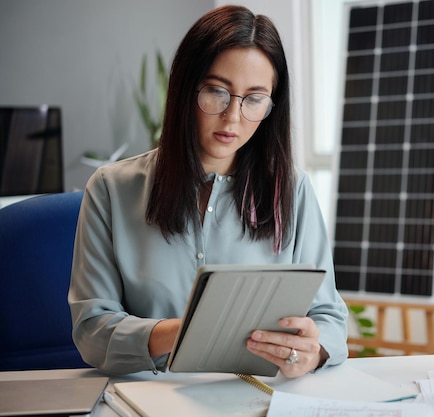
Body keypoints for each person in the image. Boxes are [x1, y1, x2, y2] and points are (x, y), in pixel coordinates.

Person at [68, 4, 348, 377]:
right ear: (187, 88)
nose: (233, 117)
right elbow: (91, 332)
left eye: (254, 98)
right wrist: (183, 332)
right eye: (217, 91)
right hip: (149, 396)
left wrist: (310, 353)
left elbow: (329, 319)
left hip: (254, 395)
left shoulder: (293, 190)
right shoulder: (111, 189)